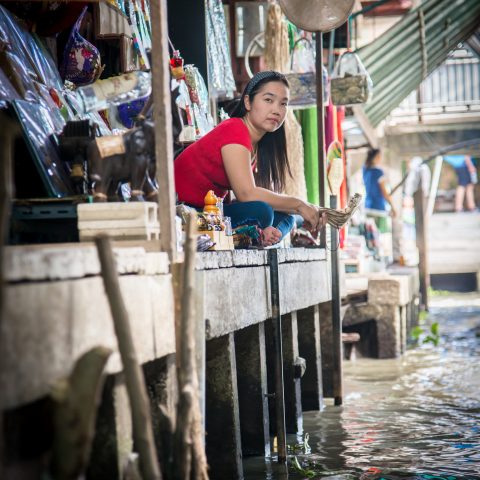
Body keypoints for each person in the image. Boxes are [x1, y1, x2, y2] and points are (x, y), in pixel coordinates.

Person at [174, 70, 324, 246]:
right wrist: (300, 204)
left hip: (212, 214)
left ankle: (263, 235)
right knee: (263, 211)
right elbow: (246, 194)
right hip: (185, 215)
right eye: (268, 100)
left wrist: (302, 209)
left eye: (283, 104)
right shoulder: (234, 129)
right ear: (248, 102)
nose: (277, 110)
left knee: (287, 218)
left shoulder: (255, 145)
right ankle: (258, 233)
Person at [362, 148, 396, 231]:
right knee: (379, 238)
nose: (381, 159)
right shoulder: (378, 172)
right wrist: (393, 207)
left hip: (367, 207)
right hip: (378, 208)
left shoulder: (365, 170)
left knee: (370, 237)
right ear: (376, 157)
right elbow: (384, 192)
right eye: (380, 156)